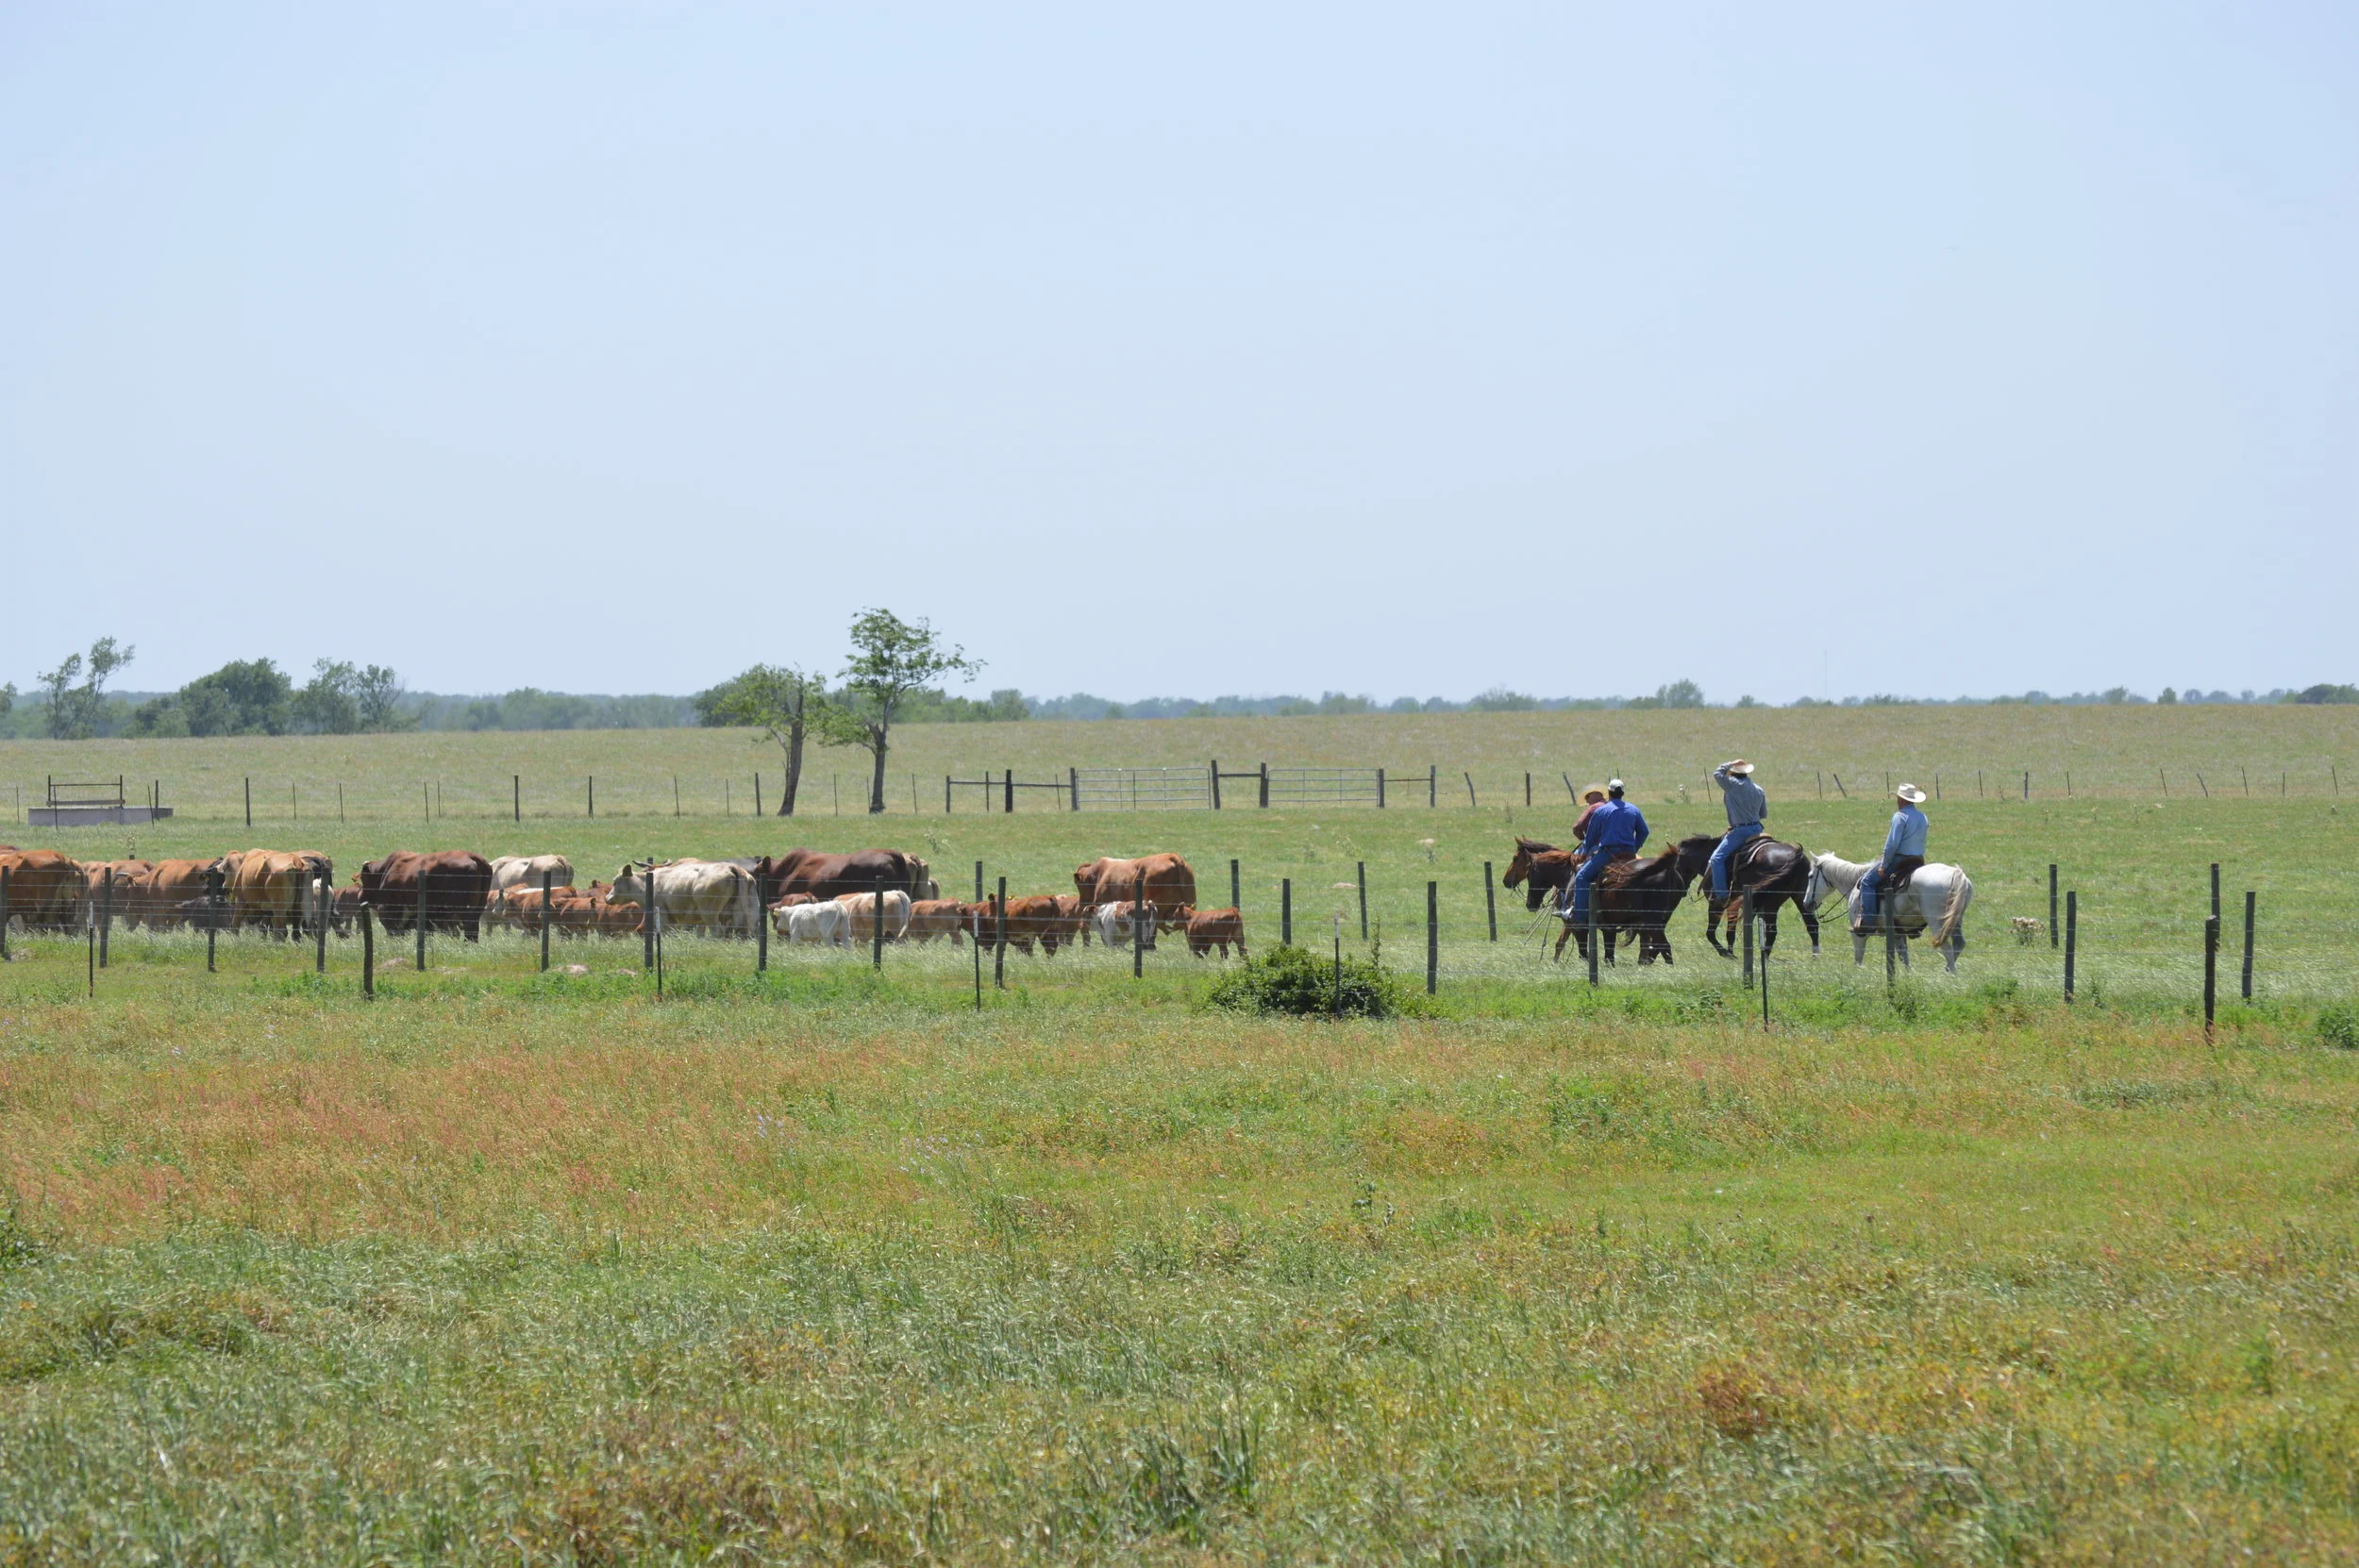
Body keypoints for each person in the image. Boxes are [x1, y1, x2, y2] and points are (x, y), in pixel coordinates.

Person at [1566, 779, 1648, 926]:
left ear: (1609, 793)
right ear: (1623, 793)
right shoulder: (1634, 810)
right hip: (1629, 855)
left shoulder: (1601, 811)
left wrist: (1587, 852)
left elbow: (1591, 836)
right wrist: (1634, 848)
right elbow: (1644, 832)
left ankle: (1580, 917)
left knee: (1582, 877)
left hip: (1608, 854)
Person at [1858, 783, 1929, 932]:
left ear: (1901, 800)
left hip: (1900, 860)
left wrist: (1883, 865)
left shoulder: (1900, 817)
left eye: (1897, 798)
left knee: (1867, 881)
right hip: (1918, 860)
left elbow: (1892, 844)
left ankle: (1868, 922)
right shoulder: (1923, 817)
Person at [1706, 759, 1766, 916]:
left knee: (1716, 859)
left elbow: (1717, 773)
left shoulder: (1731, 785)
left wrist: (1731, 762)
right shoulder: (1759, 789)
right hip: (1757, 829)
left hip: (1741, 831)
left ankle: (1722, 896)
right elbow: (1763, 814)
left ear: (1732, 773)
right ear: (1747, 773)